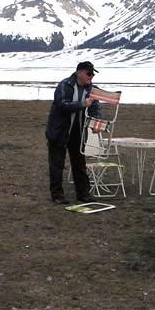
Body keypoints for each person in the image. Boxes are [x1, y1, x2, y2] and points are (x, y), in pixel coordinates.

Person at [44, 61, 105, 204]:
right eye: (88, 73)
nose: (91, 77)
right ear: (79, 73)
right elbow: (62, 104)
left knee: (79, 164)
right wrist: (81, 104)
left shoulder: (90, 88)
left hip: (78, 131)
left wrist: (97, 123)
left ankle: (83, 194)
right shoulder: (65, 85)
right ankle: (57, 196)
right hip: (59, 131)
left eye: (93, 74)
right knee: (57, 165)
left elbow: (95, 107)